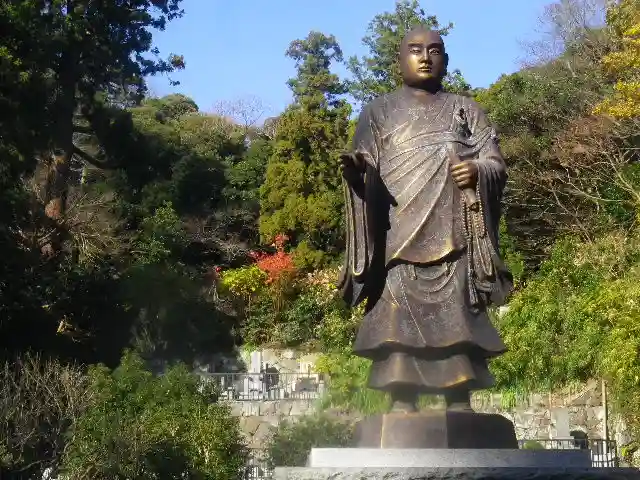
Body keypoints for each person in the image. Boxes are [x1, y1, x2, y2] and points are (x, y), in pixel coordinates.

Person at [338, 27, 513, 414]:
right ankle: (403, 399)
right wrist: (357, 172)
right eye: (415, 50)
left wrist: (477, 170)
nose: (425, 57)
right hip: (399, 235)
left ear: (445, 61)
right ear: (400, 60)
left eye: (434, 51)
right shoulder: (377, 112)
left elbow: (496, 163)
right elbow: (366, 165)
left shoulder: (465, 109)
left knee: (457, 316)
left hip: (453, 233)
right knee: (398, 321)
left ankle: (458, 398)